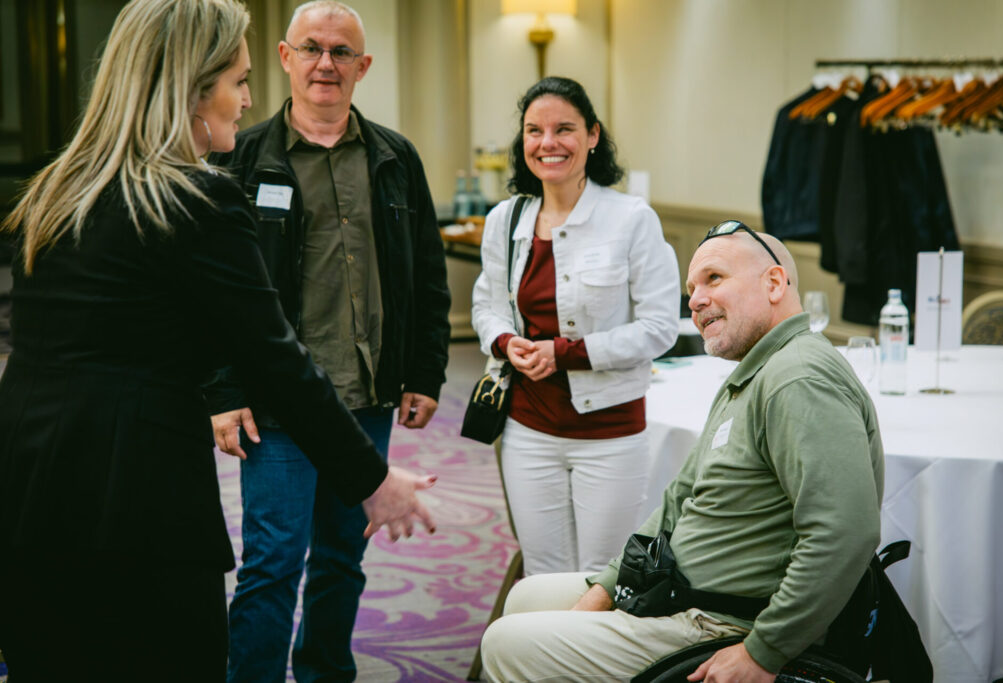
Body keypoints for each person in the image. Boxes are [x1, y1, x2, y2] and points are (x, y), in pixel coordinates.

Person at [0, 1, 435, 681]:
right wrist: (373, 480)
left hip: (28, 492)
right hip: (140, 503)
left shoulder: (56, 189)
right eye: (238, 80)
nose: (249, 99)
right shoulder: (198, 199)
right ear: (193, 88)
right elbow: (276, 358)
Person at [480, 222, 884, 682]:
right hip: (678, 593)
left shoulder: (798, 379)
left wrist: (762, 653)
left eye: (714, 278)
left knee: (505, 642)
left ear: (774, 283)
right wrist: (608, 588)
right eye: (692, 290)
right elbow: (679, 500)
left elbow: (845, 532)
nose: (694, 300)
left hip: (726, 623)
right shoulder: (753, 374)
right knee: (527, 598)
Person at [203, 2, 452, 681]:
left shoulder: (395, 158)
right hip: (277, 403)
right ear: (285, 57)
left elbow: (426, 275)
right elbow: (212, 293)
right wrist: (223, 390)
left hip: (366, 396)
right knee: (273, 561)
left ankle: (324, 672)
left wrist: (425, 371)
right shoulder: (240, 158)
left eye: (341, 52)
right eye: (311, 48)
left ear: (362, 67)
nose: (325, 63)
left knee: (344, 557)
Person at [471, 76, 680, 577]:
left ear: (592, 135)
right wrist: (506, 342)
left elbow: (659, 327)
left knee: (600, 577)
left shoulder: (632, 219)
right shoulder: (505, 219)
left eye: (564, 129)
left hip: (609, 433)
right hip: (527, 428)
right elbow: (485, 306)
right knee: (543, 572)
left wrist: (564, 354)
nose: (548, 143)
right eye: (534, 131)